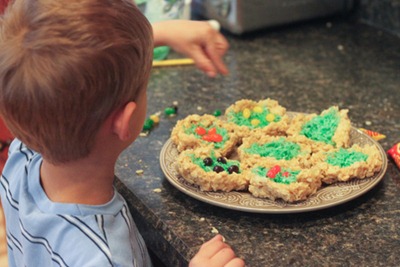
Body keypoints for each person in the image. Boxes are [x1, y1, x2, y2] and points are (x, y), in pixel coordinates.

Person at [0, 0, 244, 266]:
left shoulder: (20, 155)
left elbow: (60, 71)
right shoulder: (105, 256)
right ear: (125, 121)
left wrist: (157, 34)